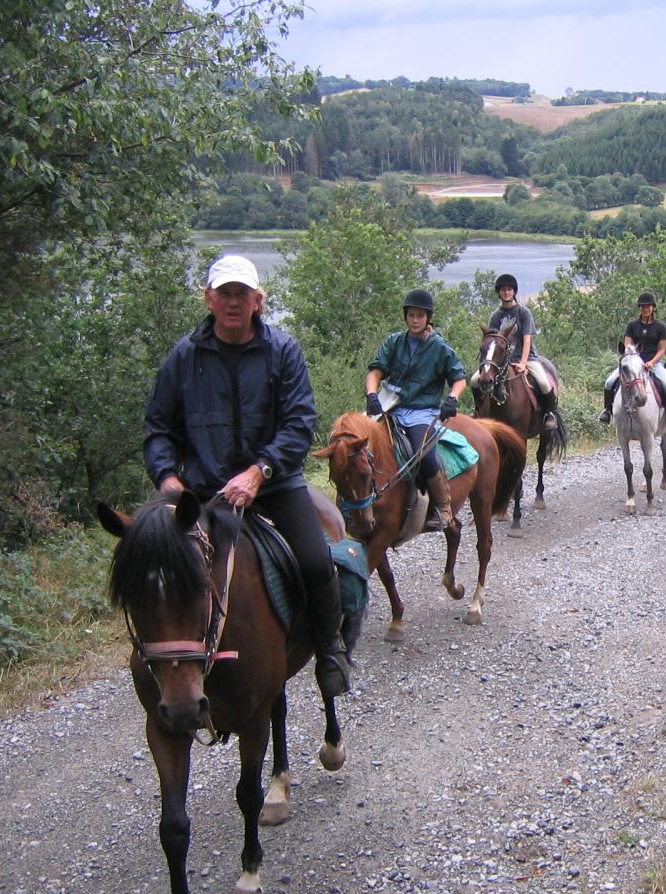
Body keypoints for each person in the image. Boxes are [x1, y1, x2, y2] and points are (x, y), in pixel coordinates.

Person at [144, 254, 350, 698]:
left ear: (258, 301)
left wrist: (259, 472)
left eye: (242, 294)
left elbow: (299, 423)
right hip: (203, 493)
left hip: (274, 485)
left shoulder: (282, 351)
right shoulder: (183, 358)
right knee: (154, 563)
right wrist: (167, 478)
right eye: (224, 293)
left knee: (317, 561)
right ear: (209, 298)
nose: (233, 302)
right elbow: (159, 429)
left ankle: (329, 648)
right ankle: (162, 659)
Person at [366, 288, 468, 533]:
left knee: (424, 453)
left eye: (420, 316)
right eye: (411, 315)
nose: (415, 320)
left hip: (421, 411)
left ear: (428, 318)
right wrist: (371, 394)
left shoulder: (439, 347)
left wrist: (452, 398)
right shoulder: (394, 341)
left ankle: (442, 506)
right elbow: (376, 371)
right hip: (389, 404)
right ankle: (357, 502)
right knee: (355, 444)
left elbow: (459, 378)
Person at [482, 273, 559, 430]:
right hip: (502, 361)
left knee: (544, 383)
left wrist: (523, 363)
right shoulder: (496, 316)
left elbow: (527, 340)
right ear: (499, 293)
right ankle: (479, 411)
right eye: (503, 290)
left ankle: (550, 414)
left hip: (527, 357)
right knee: (477, 380)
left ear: (514, 292)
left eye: (509, 289)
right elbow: (492, 342)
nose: (506, 292)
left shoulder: (523, 313)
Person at [598, 290, 666, 430]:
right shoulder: (632, 326)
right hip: (634, 363)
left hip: (653, 363)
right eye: (643, 307)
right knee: (609, 382)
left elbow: (661, 349)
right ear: (640, 309)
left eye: (648, 306)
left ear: (653, 308)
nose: (645, 309)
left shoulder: (659, 327)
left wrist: (652, 362)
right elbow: (628, 344)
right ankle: (607, 411)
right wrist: (634, 360)